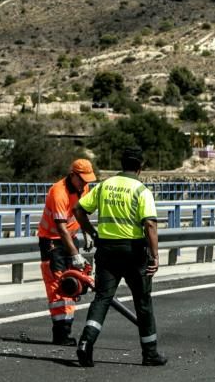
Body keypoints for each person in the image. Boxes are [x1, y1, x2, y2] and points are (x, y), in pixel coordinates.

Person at [74, 146, 166, 367]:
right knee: (142, 301)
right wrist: (155, 256)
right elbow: (150, 224)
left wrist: (93, 233)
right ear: (140, 168)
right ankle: (150, 353)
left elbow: (79, 210)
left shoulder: (105, 186)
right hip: (134, 251)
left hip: (107, 250)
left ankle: (86, 343)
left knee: (102, 298)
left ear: (122, 164)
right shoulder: (141, 190)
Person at [37, 158, 98, 346]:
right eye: (82, 179)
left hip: (71, 238)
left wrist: (86, 233)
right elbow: (60, 227)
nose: (85, 184)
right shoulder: (58, 192)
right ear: (72, 175)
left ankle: (66, 330)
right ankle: (60, 334)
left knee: (72, 285)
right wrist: (75, 254)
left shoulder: (83, 188)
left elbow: (80, 212)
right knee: (58, 286)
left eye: (88, 180)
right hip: (52, 241)